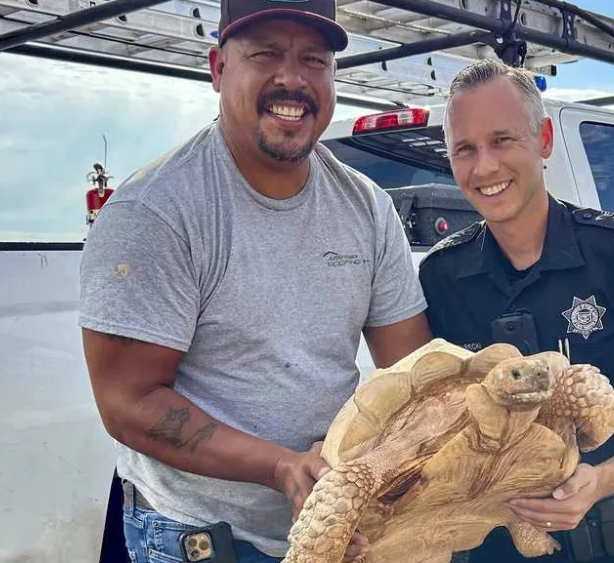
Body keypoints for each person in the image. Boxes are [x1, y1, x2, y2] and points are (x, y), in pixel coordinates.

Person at [78, 1, 432, 561]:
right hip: (196, 538)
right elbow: (128, 402)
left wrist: (374, 466)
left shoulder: (366, 206)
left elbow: (415, 372)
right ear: (219, 68)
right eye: (265, 53)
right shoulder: (158, 210)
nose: (291, 79)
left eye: (313, 60)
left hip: (333, 529)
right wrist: (281, 466)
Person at [417, 59, 614, 563]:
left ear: (543, 139)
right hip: (491, 548)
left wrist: (601, 481)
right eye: (465, 150)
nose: (485, 168)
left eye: (502, 141)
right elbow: (427, 420)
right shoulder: (441, 277)